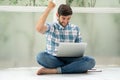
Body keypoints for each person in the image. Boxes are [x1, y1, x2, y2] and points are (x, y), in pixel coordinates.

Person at [36, 1, 95, 75]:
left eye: (68, 18)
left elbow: (79, 48)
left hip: (70, 59)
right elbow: (39, 28)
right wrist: (48, 8)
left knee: (91, 61)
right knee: (40, 57)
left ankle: (55, 71)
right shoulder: (52, 27)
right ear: (57, 15)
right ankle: (75, 68)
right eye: (63, 18)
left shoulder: (75, 28)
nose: (66, 21)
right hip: (54, 59)